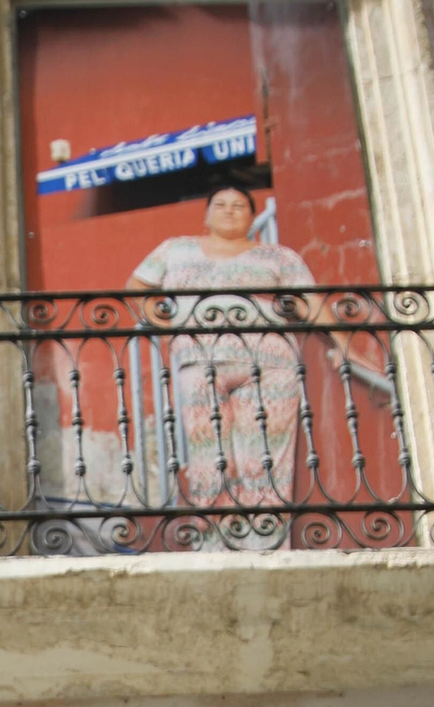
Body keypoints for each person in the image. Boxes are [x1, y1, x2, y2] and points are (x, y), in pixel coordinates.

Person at [129, 179, 316, 542]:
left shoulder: (278, 256)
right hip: (198, 361)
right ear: (206, 215)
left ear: (251, 216)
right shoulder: (175, 249)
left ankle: (266, 545)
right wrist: (168, 325)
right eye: (221, 204)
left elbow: (312, 304)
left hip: (270, 365)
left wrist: (346, 345)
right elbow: (137, 288)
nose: (230, 210)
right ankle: (213, 545)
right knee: (208, 455)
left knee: (264, 457)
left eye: (239, 205)